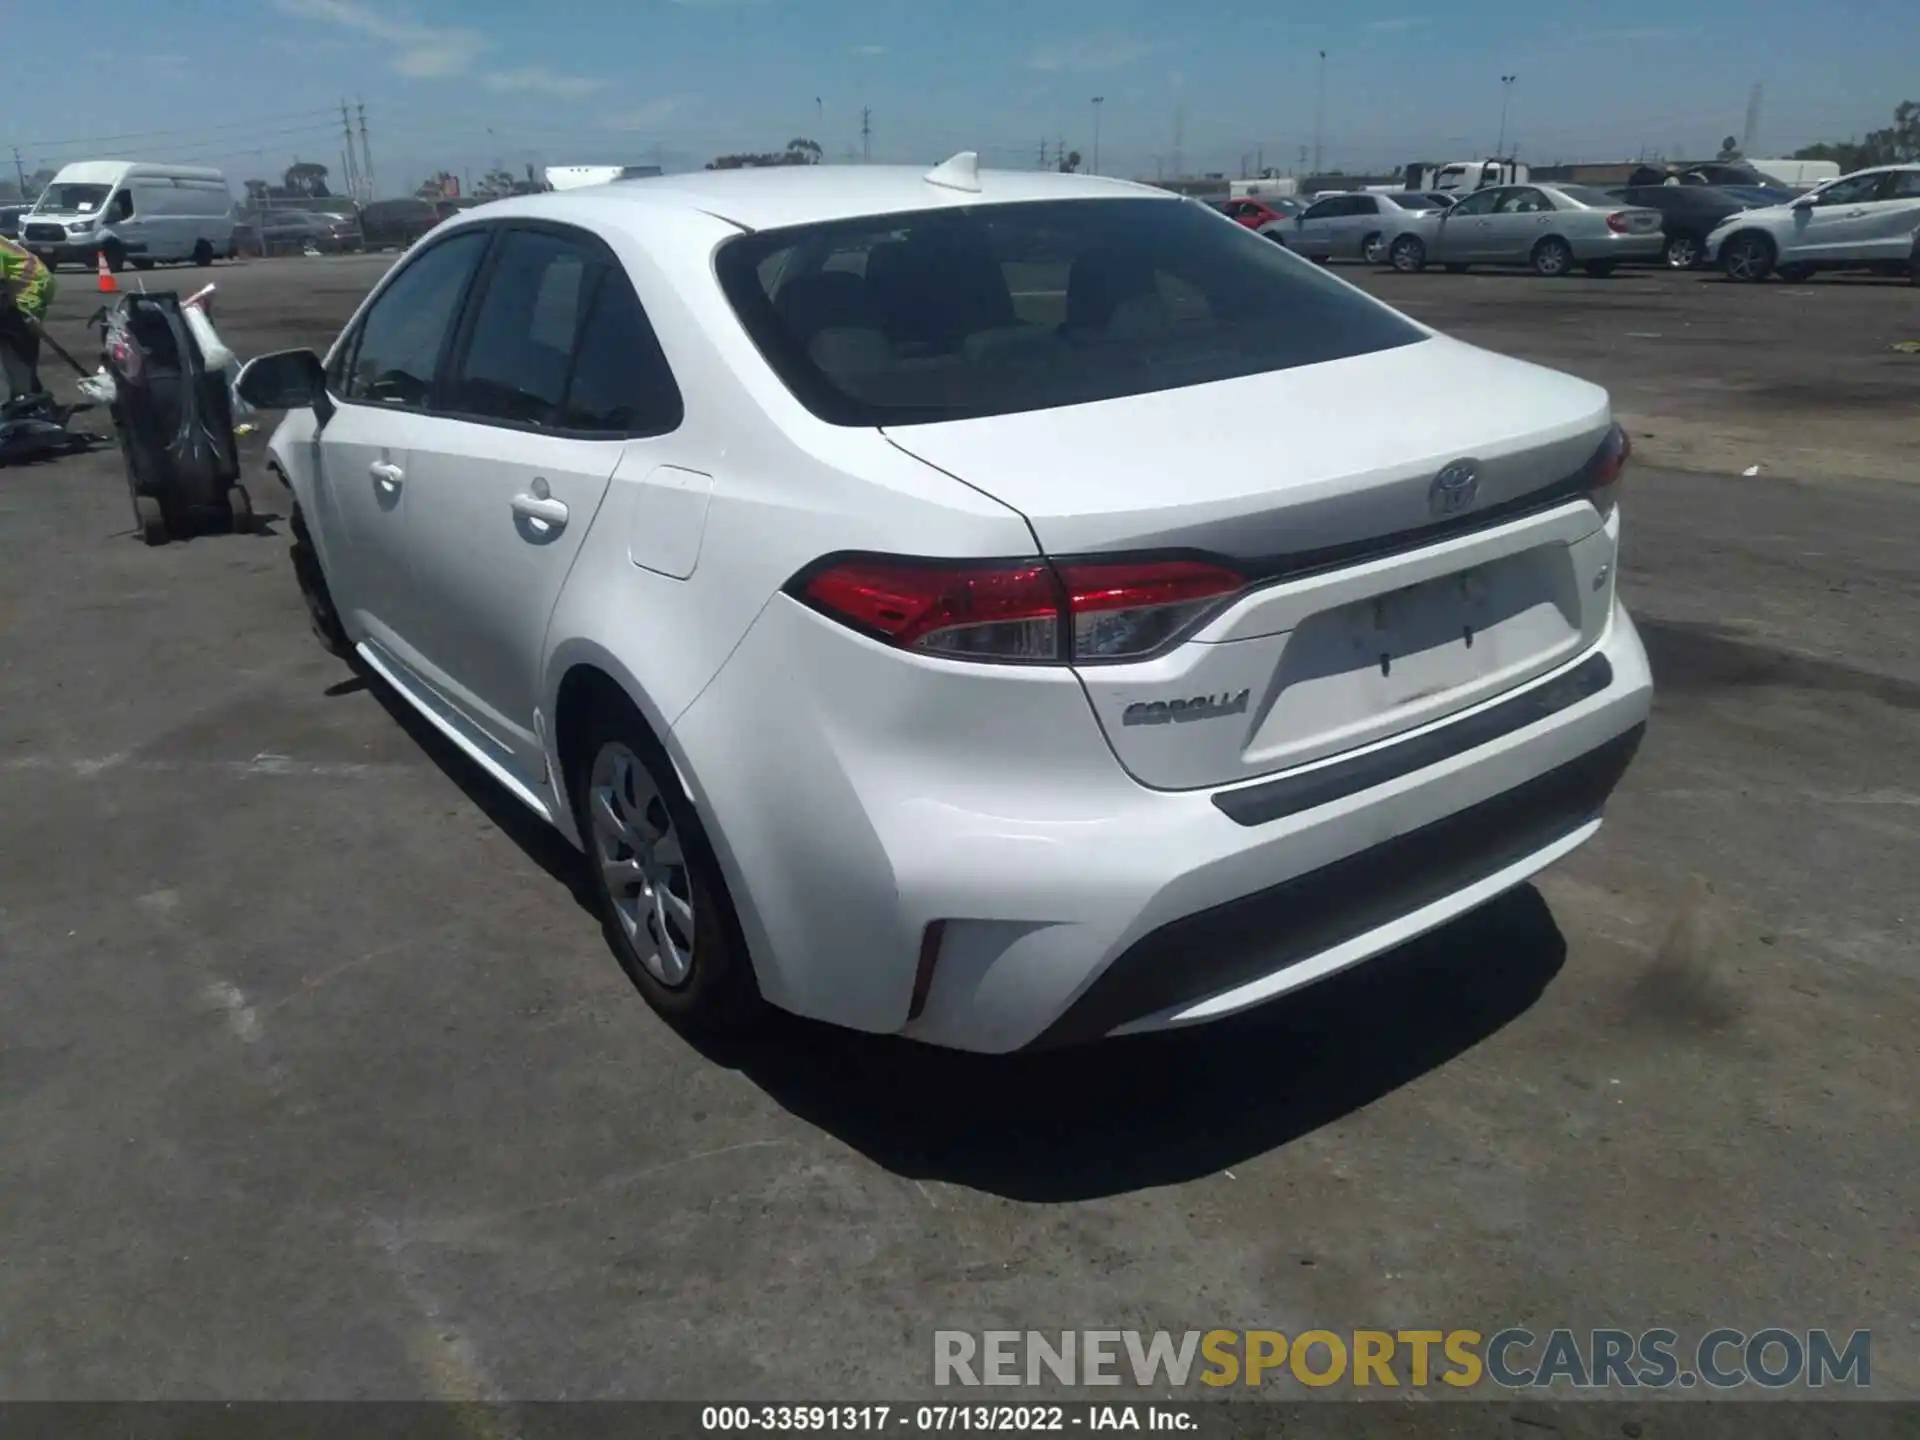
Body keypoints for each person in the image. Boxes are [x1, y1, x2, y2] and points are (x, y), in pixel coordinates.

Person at [0, 233, 56, 407]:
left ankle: (26, 399)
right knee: (19, 348)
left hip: (27, 289)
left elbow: (1, 287)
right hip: (28, 286)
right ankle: (32, 397)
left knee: (16, 342)